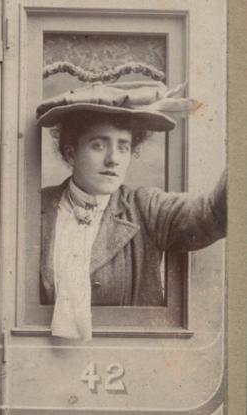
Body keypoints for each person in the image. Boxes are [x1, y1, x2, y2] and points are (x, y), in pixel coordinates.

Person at [36, 81, 226, 340]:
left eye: (123, 146)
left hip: (129, 361)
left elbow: (212, 213)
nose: (113, 159)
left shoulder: (145, 207)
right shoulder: (36, 209)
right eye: (99, 145)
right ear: (71, 153)